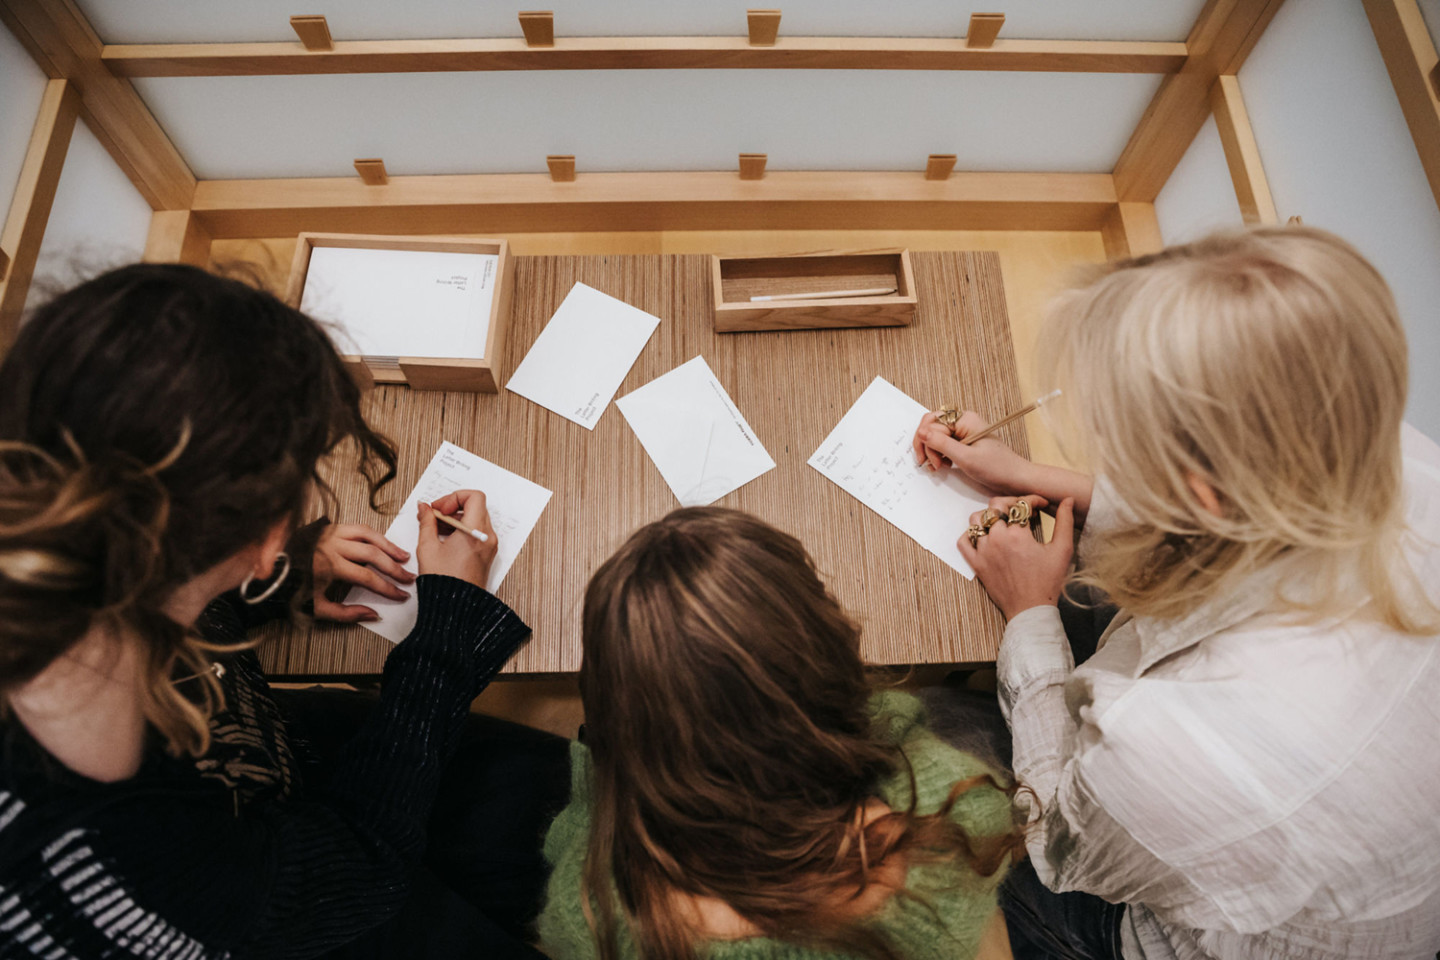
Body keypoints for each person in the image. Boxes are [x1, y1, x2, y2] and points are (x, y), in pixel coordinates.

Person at [0, 263, 568, 959]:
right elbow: (356, 876)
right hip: (287, 908)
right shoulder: (136, 854)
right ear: (263, 534)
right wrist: (450, 620)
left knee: (553, 785)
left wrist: (277, 571)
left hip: (269, 756)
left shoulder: (49, 517)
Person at [911, 226, 1440, 959]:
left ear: (1199, 492)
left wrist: (1030, 611)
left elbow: (1061, 848)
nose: (1104, 458)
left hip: (1160, 923)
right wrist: (1032, 476)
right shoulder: (1393, 449)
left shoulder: (1192, 742)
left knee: (923, 738)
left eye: (1120, 443)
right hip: (1295, 840)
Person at [537, 506, 1025, 960]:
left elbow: (587, 829)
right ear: (830, 650)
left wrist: (603, 770)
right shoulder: (951, 810)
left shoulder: (590, 912)